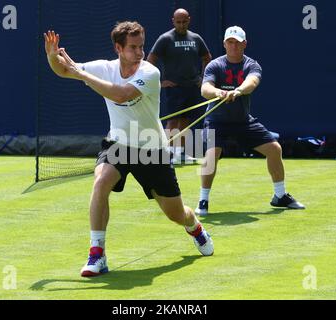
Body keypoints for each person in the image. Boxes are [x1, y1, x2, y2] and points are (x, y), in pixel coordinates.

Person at [43, 21, 213, 277]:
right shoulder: (105, 68)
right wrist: (51, 56)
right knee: (100, 182)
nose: (139, 52)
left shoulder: (150, 73)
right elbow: (64, 70)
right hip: (118, 144)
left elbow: (120, 95)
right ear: (118, 48)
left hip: (150, 149)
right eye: (133, 47)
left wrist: (80, 73)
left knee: (176, 213)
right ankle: (97, 255)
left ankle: (194, 227)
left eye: (141, 46)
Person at [195, 26, 305, 215]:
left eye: (237, 42)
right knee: (212, 155)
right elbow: (205, 89)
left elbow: (252, 82)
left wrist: (238, 90)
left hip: (243, 121)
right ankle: (203, 201)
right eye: (230, 42)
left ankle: (280, 196)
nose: (234, 46)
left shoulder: (252, 65)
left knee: (274, 149)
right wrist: (219, 93)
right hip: (216, 121)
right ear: (224, 44)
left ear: (244, 44)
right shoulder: (215, 65)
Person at [147, 8, 212, 164]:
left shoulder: (196, 38)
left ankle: (180, 154)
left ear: (189, 20)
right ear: (173, 21)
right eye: (178, 22)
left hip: (191, 87)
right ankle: (167, 154)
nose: (181, 25)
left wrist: (202, 79)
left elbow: (207, 57)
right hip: (173, 88)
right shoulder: (165, 39)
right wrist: (160, 82)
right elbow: (150, 60)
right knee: (172, 121)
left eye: (184, 22)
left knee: (185, 121)